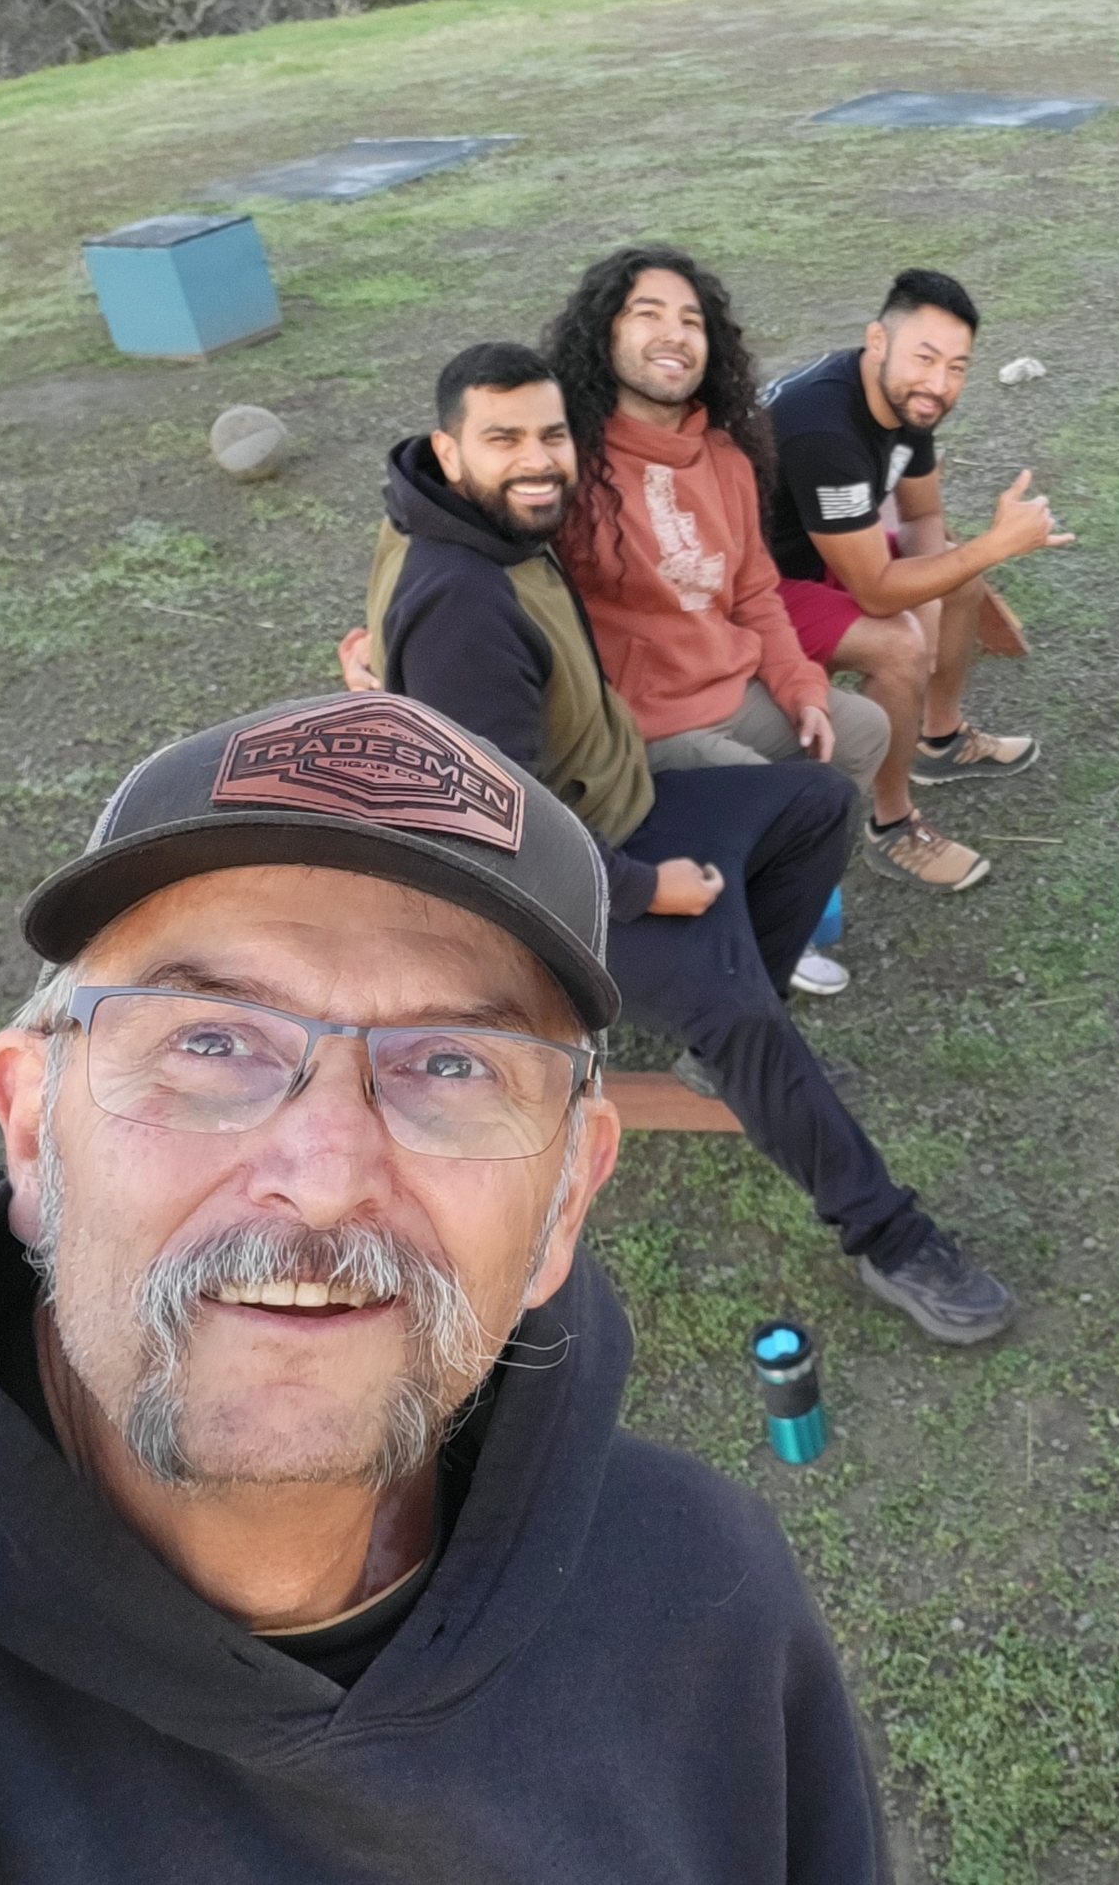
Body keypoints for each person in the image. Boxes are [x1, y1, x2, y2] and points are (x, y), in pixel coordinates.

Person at [0, 689, 890, 1880]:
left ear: (565, 1200)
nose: (326, 1179)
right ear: (34, 1130)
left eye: (450, 1063)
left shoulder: (708, 1610)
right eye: (209, 1040)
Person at [360, 343, 1016, 1344]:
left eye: (550, 435)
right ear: (449, 451)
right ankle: (887, 1236)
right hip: (543, 895)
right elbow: (496, 828)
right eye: (503, 439)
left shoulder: (483, 520)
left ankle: (726, 1042)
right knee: (738, 1006)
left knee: (812, 804)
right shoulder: (461, 598)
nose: (536, 459)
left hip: (612, 810)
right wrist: (640, 890)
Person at [540, 248, 892, 858]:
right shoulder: (569, 463)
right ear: (604, 333)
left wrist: (800, 688)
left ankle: (790, 893)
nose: (674, 334)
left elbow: (756, 593)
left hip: (731, 689)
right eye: (647, 314)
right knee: (777, 803)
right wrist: (377, 644)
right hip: (641, 723)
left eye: (692, 321)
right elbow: (475, 559)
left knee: (862, 731)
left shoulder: (726, 457)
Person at [765, 268, 1070, 891]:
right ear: (877, 341)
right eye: (925, 358)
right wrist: (991, 547)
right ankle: (892, 824)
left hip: (824, 548)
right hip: (753, 587)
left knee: (958, 577)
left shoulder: (908, 402)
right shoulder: (821, 424)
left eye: (957, 367)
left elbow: (923, 516)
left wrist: (936, 592)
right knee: (898, 647)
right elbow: (876, 590)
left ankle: (940, 738)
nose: (940, 384)